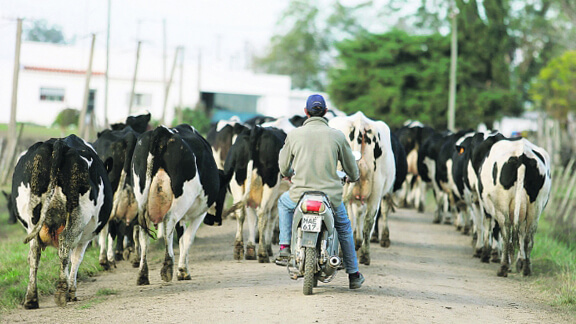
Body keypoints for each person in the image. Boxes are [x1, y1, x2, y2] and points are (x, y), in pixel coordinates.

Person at [274, 94, 365, 289]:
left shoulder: (294, 135)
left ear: (306, 112)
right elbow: (352, 169)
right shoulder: (337, 136)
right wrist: (353, 176)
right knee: (344, 228)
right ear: (325, 112)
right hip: (330, 197)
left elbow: (283, 167)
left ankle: (283, 247)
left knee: (283, 203)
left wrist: (289, 174)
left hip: (299, 195)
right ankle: (354, 274)